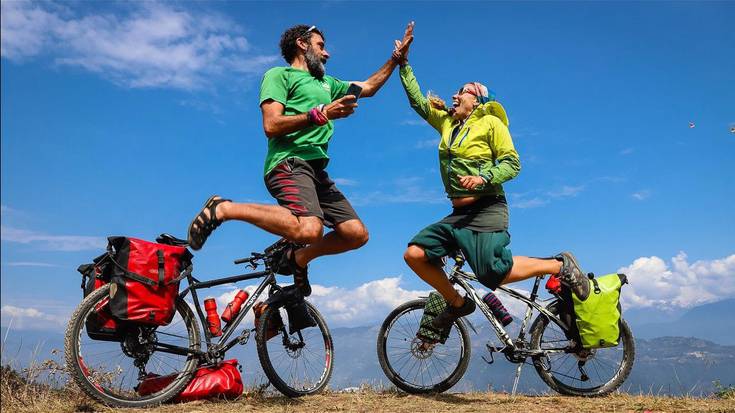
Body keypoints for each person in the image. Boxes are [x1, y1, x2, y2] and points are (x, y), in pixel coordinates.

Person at [187, 24, 414, 297]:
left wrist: (396, 59)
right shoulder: (279, 75)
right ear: (302, 44)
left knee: (355, 234)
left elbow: (368, 87)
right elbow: (271, 125)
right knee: (310, 229)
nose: (327, 54)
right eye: (321, 46)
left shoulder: (327, 84)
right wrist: (319, 114)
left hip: (316, 171)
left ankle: (299, 259)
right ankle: (223, 209)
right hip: (288, 162)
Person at [392, 23, 589, 329]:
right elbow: (418, 102)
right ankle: (458, 304)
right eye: (456, 92)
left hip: (487, 209)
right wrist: (403, 64)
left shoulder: (491, 125)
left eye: (463, 92)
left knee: (491, 274)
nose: (455, 95)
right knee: (415, 254)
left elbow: (512, 164)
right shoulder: (448, 124)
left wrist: (483, 178)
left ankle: (558, 265)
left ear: (478, 102)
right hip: (458, 215)